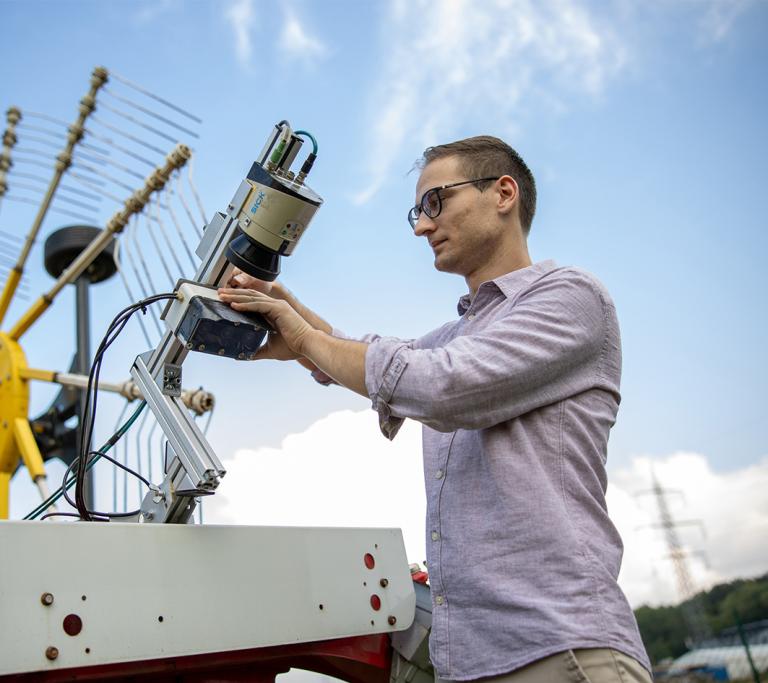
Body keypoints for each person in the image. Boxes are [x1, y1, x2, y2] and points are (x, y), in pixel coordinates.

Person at [218, 136, 652, 683]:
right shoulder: (458, 336)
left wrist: (304, 338)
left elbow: (440, 386)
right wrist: (290, 316)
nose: (422, 226)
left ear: (503, 193)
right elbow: (377, 355)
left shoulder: (569, 297)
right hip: (472, 661)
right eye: (417, 213)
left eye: (435, 202)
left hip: (561, 651)